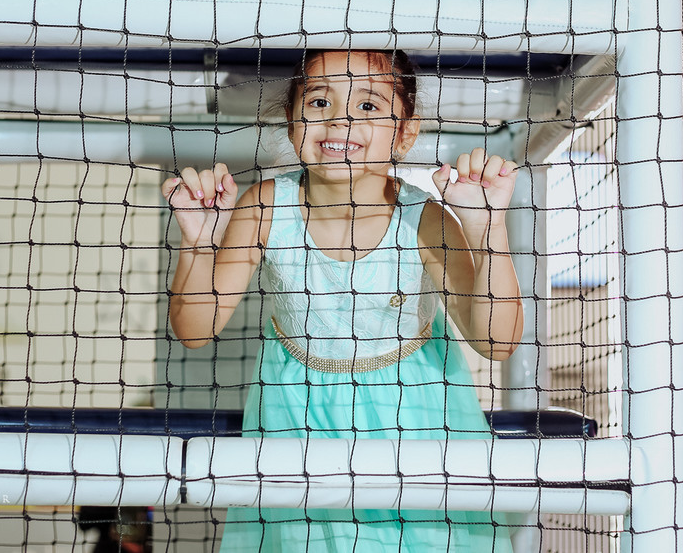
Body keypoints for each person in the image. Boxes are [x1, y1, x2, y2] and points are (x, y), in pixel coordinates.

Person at [162, 49, 522, 552]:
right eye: (319, 101)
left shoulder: (425, 219)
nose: (341, 120)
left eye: (370, 106)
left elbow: (497, 341)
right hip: (296, 416)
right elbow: (194, 328)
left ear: (406, 132)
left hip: (415, 414)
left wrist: (489, 232)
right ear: (291, 124)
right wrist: (200, 243)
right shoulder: (266, 205)